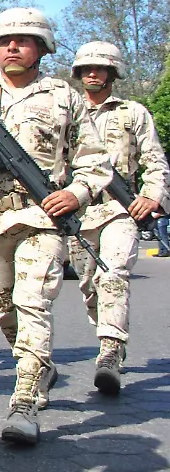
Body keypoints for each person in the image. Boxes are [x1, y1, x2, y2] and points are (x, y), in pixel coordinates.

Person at [0, 8, 112, 444]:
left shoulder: (64, 96)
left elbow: (96, 162)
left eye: (24, 40)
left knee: (33, 303)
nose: (12, 47)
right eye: (5, 41)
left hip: (42, 217)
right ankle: (37, 363)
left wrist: (76, 194)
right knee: (2, 305)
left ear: (42, 48)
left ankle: (24, 399)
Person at [68, 41, 168, 394]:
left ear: (112, 73)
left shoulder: (132, 113)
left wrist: (152, 195)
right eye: (86, 69)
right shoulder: (67, 111)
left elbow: (155, 161)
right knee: (89, 287)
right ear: (78, 74)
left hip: (119, 209)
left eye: (100, 68)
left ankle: (110, 350)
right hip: (76, 212)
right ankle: (108, 334)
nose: (92, 74)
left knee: (113, 275)